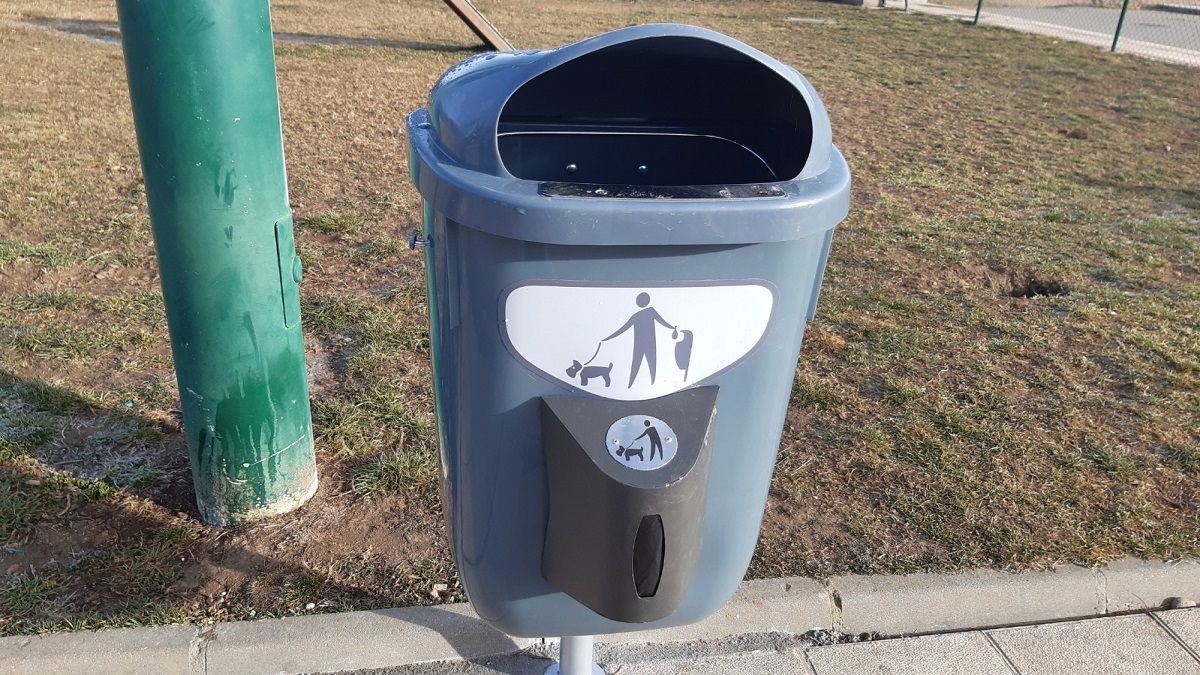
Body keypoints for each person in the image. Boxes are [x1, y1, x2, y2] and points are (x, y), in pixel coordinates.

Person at [601, 292, 675, 387]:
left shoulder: (648, 312)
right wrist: (607, 339)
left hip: (648, 344)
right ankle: (632, 384)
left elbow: (662, 321)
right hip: (641, 344)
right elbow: (622, 329)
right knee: (638, 365)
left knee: (650, 364)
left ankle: (650, 382)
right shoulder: (641, 314)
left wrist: (671, 327)